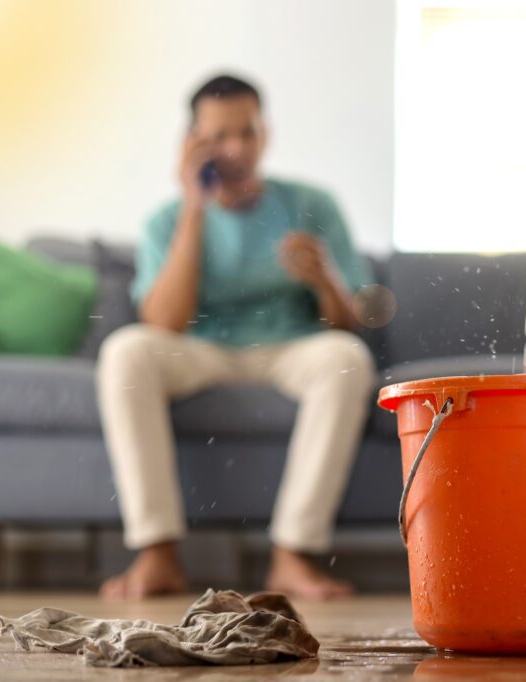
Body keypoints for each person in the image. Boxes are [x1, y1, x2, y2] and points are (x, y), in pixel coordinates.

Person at [96, 74, 375, 601]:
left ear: (265, 133)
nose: (238, 148)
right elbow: (163, 323)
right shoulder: (166, 220)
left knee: (348, 359)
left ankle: (292, 556)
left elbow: (349, 322)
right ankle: (157, 553)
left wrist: (325, 280)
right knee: (125, 351)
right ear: (193, 141)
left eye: (248, 133)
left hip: (291, 348)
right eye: (221, 136)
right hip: (201, 349)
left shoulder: (313, 204)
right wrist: (194, 206)